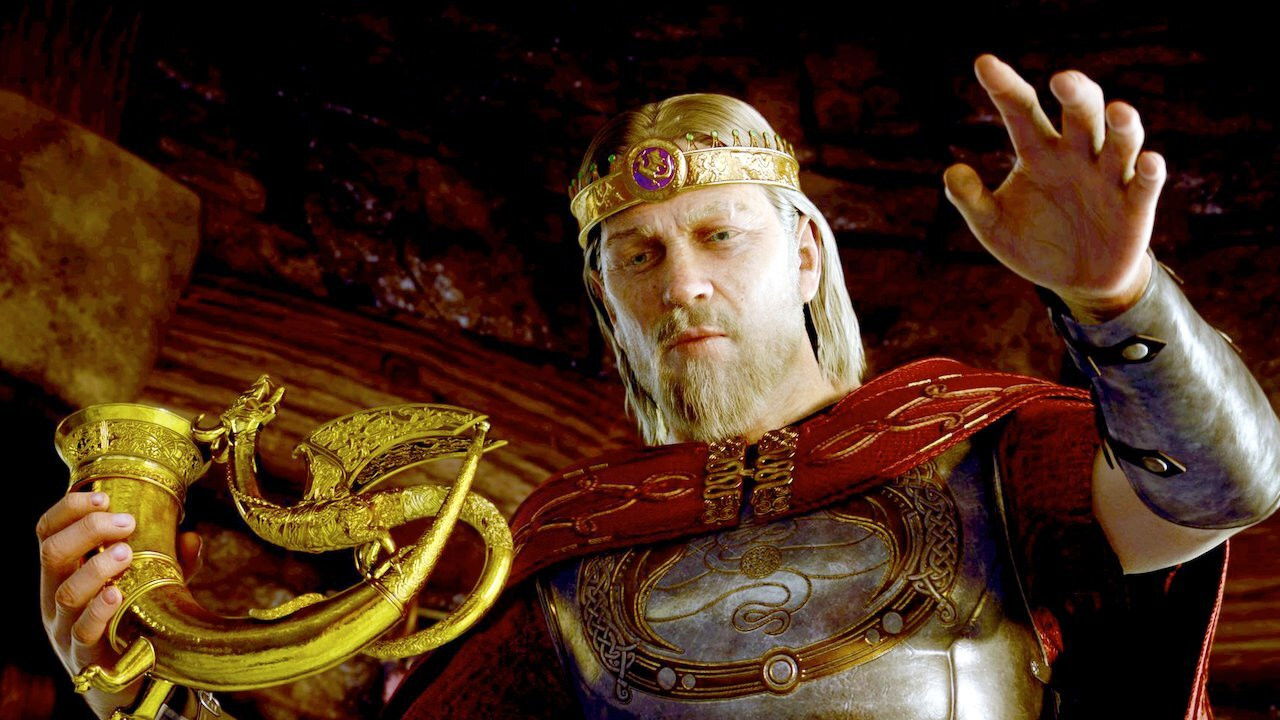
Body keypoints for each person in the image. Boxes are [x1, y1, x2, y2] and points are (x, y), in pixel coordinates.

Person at [40, 54, 1280, 719]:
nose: (679, 281)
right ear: (608, 299)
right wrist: (133, 685)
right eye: (635, 255)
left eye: (719, 235)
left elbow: (1224, 488)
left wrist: (1120, 301)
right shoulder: (566, 555)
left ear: (804, 254)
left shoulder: (970, 451)